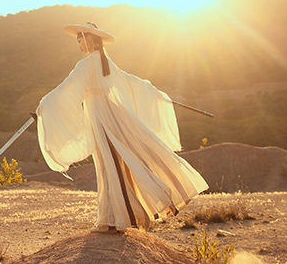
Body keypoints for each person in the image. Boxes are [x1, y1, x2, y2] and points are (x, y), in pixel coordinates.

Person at [35, 22, 208, 232]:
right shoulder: (106, 61)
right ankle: (123, 216)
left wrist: (44, 105)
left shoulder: (86, 64)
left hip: (102, 116)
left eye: (80, 39)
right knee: (124, 158)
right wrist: (154, 93)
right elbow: (131, 82)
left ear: (89, 38)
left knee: (110, 162)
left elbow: (67, 91)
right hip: (117, 114)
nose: (79, 43)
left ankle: (115, 219)